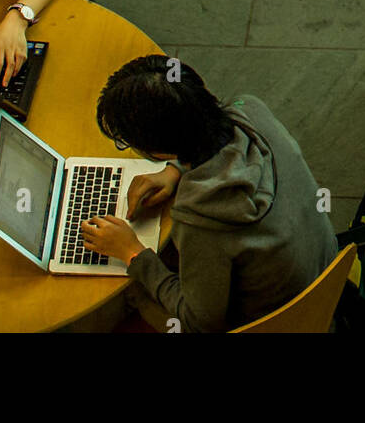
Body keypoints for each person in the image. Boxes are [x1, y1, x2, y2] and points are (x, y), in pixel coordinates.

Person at [81, 56, 338, 333]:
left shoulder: (202, 222)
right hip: (325, 279)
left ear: (155, 150)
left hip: (272, 321)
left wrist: (132, 253)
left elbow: (199, 323)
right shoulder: (251, 109)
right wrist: (175, 169)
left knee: (125, 292)